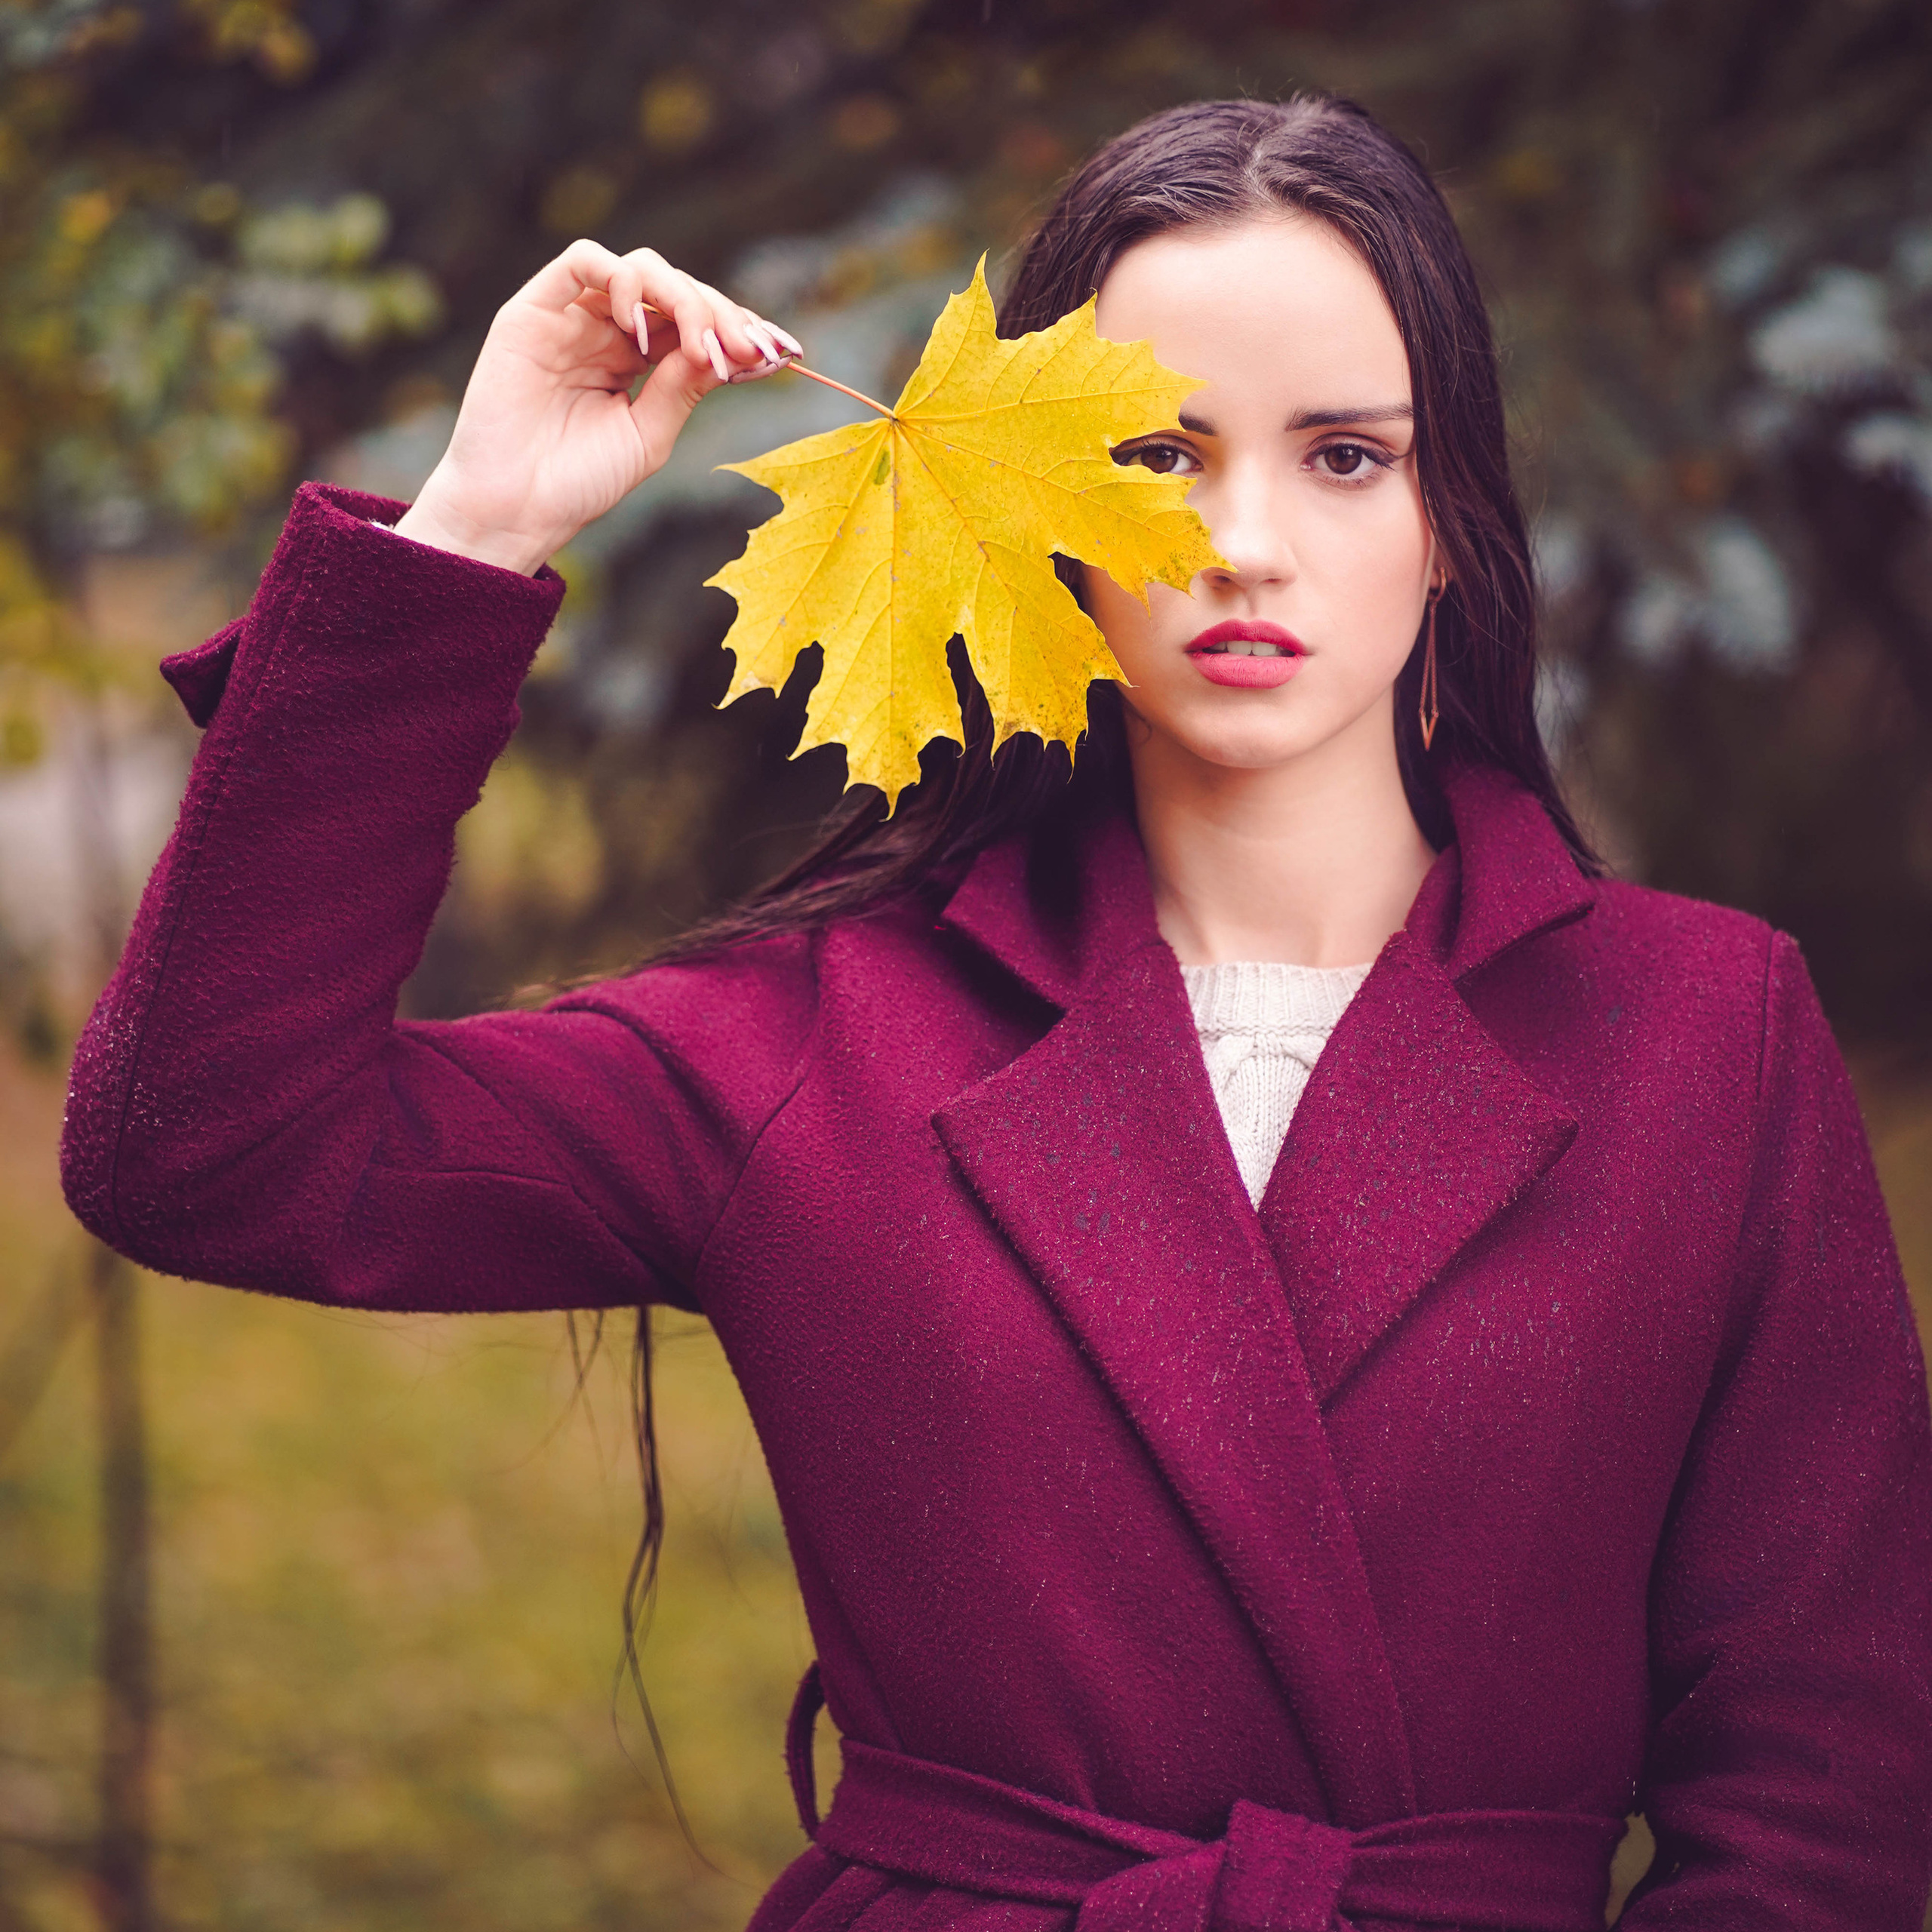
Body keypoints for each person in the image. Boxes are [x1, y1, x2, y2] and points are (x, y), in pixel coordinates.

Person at [60, 94, 1932, 1930]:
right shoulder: (819, 1027)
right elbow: (207, 1151)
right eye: (1155, 457)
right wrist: (469, 531)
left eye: (1346, 456)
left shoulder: (1700, 1027)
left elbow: (1826, 1781)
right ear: (1027, 506)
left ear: (1454, 517)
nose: (1242, 542)